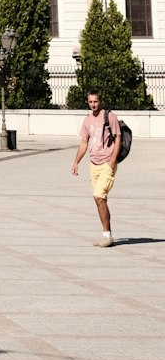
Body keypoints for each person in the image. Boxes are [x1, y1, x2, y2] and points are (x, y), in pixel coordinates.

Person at [71, 88, 122, 247]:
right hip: (94, 164)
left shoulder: (109, 116)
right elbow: (84, 143)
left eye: (96, 101)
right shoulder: (87, 121)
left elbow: (118, 138)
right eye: (91, 102)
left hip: (107, 163)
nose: (93, 104)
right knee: (101, 200)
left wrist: (113, 160)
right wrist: (76, 162)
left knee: (98, 196)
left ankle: (107, 236)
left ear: (100, 101)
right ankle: (107, 235)